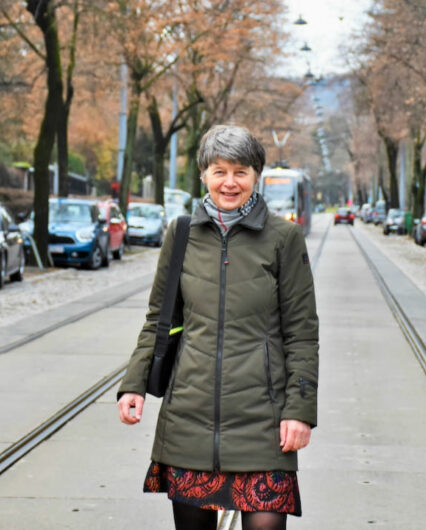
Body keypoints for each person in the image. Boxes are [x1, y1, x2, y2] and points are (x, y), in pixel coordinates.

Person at [117, 125, 319, 530]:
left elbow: (302, 332)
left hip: (263, 419)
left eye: (241, 171)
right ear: (204, 175)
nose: (230, 183)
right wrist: (133, 384)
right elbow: (160, 318)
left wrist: (300, 411)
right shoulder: (181, 234)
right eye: (219, 171)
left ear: (256, 176)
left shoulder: (284, 237)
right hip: (190, 417)